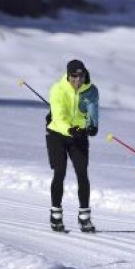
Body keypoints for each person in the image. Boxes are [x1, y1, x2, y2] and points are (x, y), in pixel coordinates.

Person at [46, 59, 99, 232]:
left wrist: (92, 125)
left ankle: (84, 217)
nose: (77, 80)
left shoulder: (91, 90)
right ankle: (56, 214)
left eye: (81, 75)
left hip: (79, 135)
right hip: (57, 134)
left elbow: (93, 110)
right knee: (60, 171)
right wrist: (69, 129)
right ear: (68, 75)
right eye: (73, 76)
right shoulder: (57, 89)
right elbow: (58, 117)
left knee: (82, 173)